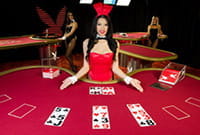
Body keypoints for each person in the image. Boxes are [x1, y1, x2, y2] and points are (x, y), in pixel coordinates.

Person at [60, 3, 143, 92]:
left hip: (109, 82)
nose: (102, 28)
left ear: (109, 27)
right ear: (95, 25)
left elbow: (115, 68)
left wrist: (129, 80)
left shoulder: (115, 43)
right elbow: (86, 67)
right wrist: (73, 79)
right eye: (99, 24)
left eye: (106, 25)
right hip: (91, 81)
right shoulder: (87, 43)